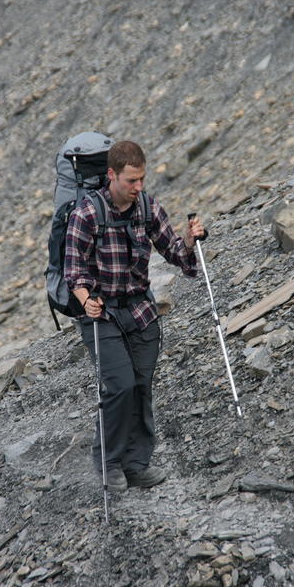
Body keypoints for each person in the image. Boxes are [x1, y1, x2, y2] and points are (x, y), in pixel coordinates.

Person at [65, 140, 206, 492]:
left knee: (141, 387)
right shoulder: (87, 214)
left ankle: (136, 464)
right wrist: (86, 299)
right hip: (101, 314)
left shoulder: (147, 207)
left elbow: (175, 252)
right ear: (111, 175)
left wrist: (189, 241)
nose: (138, 187)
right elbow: (74, 269)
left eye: (141, 179)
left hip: (141, 310)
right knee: (119, 386)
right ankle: (109, 463)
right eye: (131, 180)